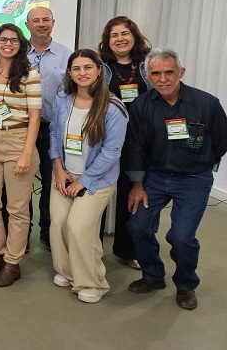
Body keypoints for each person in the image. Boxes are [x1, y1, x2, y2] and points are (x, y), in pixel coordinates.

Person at [125, 48, 227, 310]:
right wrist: (137, 184)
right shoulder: (142, 106)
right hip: (156, 176)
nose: (163, 79)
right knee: (138, 226)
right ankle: (152, 275)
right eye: (155, 73)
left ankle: (185, 284)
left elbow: (221, 140)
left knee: (181, 236)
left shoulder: (207, 104)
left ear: (180, 72)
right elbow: (135, 146)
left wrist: (202, 162)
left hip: (193, 178)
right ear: (148, 76)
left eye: (169, 72)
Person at [49, 49, 128, 303]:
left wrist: (84, 181)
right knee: (59, 223)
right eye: (76, 69)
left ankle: (93, 283)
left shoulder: (113, 107)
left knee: (79, 226)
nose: (82, 73)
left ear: (98, 71)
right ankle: (68, 271)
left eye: (87, 68)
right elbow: (54, 134)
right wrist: (59, 170)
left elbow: (111, 152)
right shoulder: (63, 99)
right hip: (64, 173)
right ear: (70, 73)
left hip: (96, 179)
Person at [0, 23, 41, 287]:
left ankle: (12, 262)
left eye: (13, 40)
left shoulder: (29, 75)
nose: (8, 44)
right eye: (3, 39)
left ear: (20, 43)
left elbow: (35, 117)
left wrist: (26, 154)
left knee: (17, 208)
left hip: (18, 141)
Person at [97, 16, 152, 269]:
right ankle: (92, 247)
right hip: (105, 138)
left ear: (134, 36)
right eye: (114, 35)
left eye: (124, 34)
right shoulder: (101, 66)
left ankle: (128, 250)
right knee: (97, 193)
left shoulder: (148, 64)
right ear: (108, 41)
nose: (120, 39)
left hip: (138, 140)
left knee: (133, 195)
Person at [25, 6, 72, 250]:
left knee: (50, 181)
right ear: (27, 25)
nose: (41, 24)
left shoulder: (67, 54)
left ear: (53, 22)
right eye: (36, 20)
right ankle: (23, 231)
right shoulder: (16, 53)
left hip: (53, 129)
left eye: (45, 20)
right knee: (20, 182)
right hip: (22, 129)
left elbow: (72, 93)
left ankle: (47, 229)